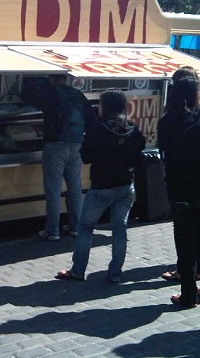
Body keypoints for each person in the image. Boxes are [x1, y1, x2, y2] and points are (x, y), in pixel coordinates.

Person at [55, 89, 145, 283]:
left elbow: (86, 157)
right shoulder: (133, 128)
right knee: (119, 229)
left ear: (107, 106)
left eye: (101, 104)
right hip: (125, 186)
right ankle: (115, 274)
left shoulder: (98, 129)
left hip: (102, 187)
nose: (98, 107)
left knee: (85, 227)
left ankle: (78, 271)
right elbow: (138, 155)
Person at [158, 76, 200, 308]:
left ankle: (188, 295)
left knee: (185, 244)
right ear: (197, 94)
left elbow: (165, 154)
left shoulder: (166, 122)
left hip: (181, 191)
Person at [21, 74, 95, 240]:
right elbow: (92, 119)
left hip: (55, 145)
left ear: (51, 79)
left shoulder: (50, 92)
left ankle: (52, 231)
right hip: (76, 144)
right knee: (75, 187)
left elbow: (24, 95)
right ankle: (76, 227)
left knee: (53, 189)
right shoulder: (77, 94)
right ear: (67, 79)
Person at [160, 66, 200, 283]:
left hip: (182, 185)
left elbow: (166, 151)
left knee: (185, 234)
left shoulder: (170, 120)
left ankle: (187, 277)